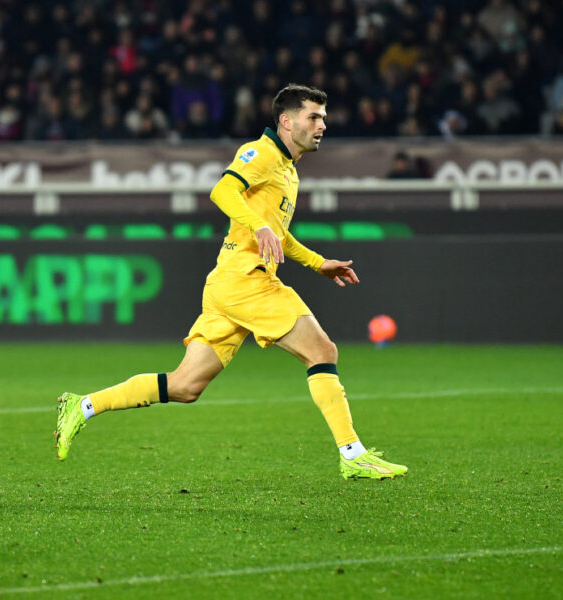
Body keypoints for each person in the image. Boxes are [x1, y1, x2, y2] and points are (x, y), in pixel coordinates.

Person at [54, 84, 407, 481]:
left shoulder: (288, 169)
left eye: (323, 117)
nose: (322, 125)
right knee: (322, 350)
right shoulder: (261, 153)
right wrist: (258, 226)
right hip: (246, 280)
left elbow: (278, 234)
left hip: (227, 284)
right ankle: (353, 454)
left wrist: (318, 263)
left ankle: (82, 406)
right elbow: (222, 189)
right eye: (313, 117)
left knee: (186, 385)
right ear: (286, 121)